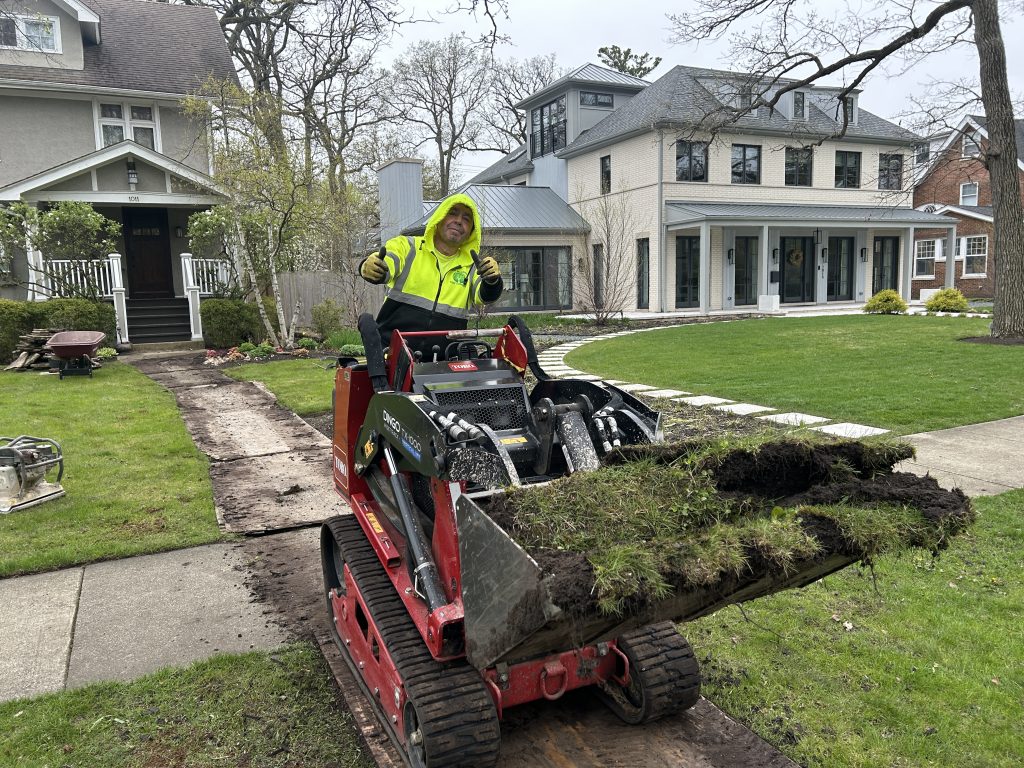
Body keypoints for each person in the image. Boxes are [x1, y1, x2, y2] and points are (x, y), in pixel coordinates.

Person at [358, 193, 503, 357]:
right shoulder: (407, 247)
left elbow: (485, 295)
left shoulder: (473, 267)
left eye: (467, 218)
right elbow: (387, 262)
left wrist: (492, 280)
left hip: (445, 361)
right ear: (439, 218)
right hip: (393, 355)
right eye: (453, 213)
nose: (458, 221)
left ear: (471, 232)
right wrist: (371, 267)